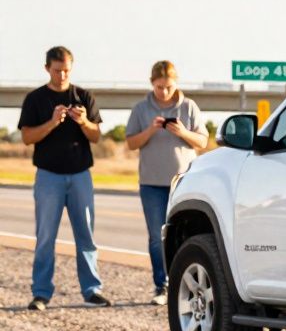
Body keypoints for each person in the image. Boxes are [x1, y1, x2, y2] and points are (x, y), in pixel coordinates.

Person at [18, 46, 109, 310]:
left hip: (81, 175)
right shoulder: (35, 99)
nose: (62, 75)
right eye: (57, 70)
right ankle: (41, 293)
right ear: (47, 68)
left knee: (86, 236)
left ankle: (92, 290)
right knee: (46, 237)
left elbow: (96, 136)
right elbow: (26, 138)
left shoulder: (84, 96)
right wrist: (51, 122)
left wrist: (84, 122)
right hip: (48, 177)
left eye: (67, 70)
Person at [125, 61, 208, 305]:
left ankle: (185, 285)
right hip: (151, 184)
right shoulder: (141, 109)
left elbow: (202, 142)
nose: (164, 91)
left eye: (168, 86)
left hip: (183, 183)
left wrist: (182, 132)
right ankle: (161, 286)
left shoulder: (189, 106)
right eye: (159, 87)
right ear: (152, 83)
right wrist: (151, 130)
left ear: (176, 82)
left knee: (186, 235)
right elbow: (131, 143)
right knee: (155, 237)